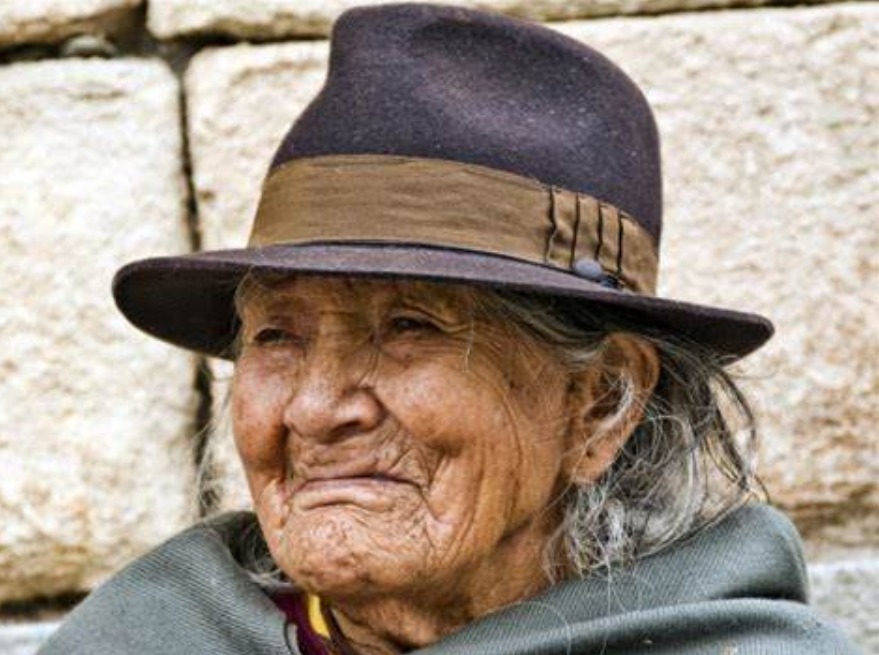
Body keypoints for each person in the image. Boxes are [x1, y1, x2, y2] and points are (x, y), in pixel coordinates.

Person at [39, 3, 858, 654]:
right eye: (276, 337)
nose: (316, 408)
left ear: (599, 403)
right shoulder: (144, 639)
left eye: (408, 326)